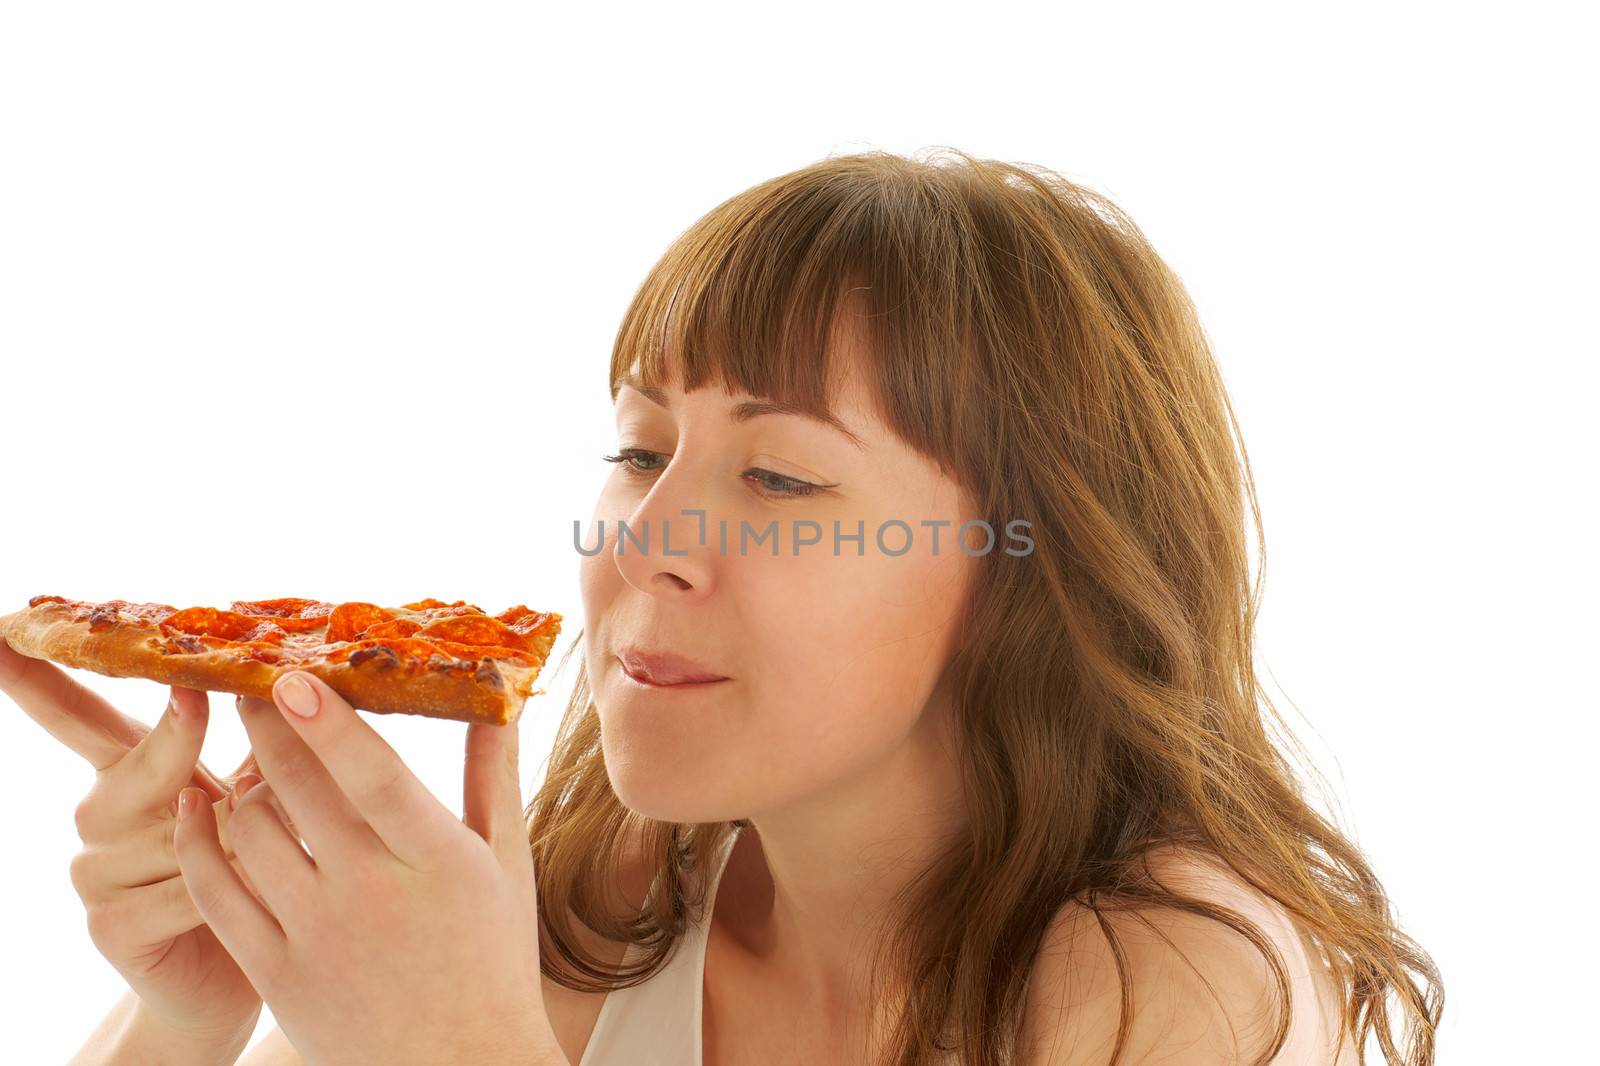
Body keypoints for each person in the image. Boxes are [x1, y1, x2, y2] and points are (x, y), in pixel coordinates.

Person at [8, 147, 1442, 1065]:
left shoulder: (1173, 981)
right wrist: (193, 1015)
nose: (644, 536)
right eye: (640, 451)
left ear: (1034, 570)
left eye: (779, 475)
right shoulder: (607, 895)